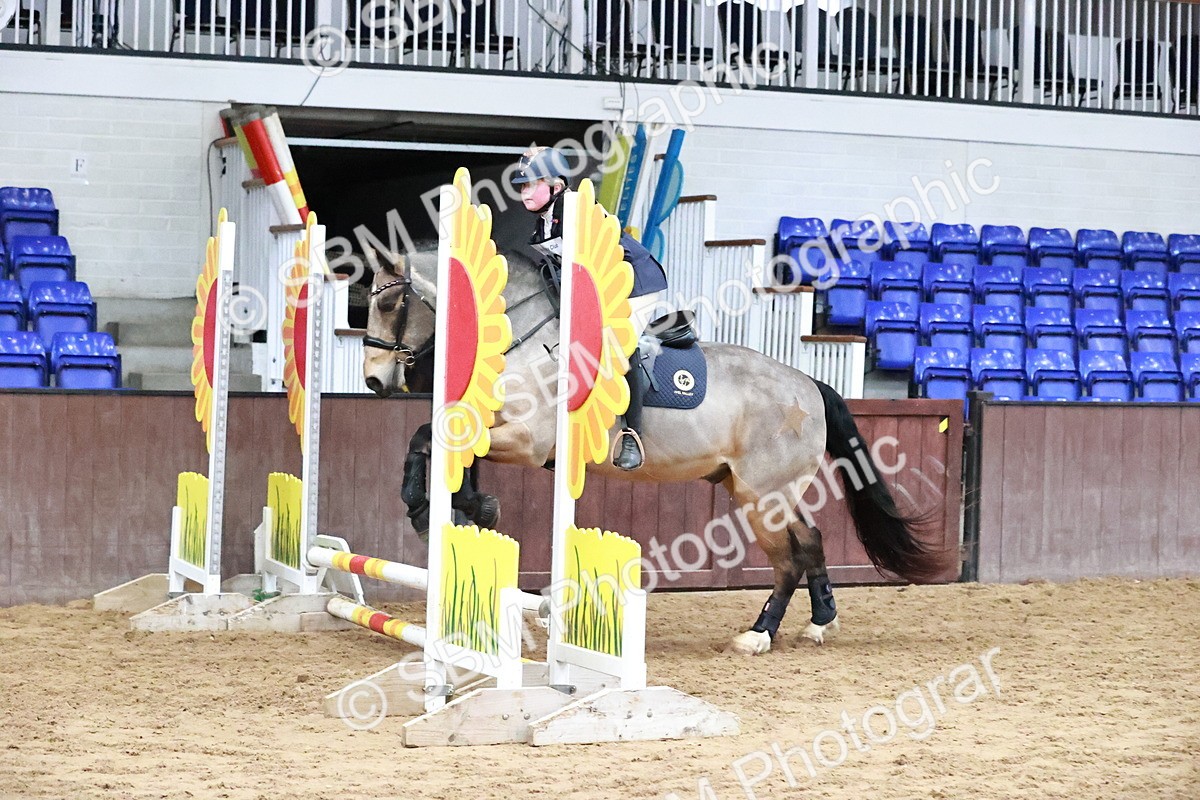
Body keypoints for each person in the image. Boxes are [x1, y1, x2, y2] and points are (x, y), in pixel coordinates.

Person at [511, 145, 668, 472]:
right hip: (599, 288)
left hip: (637, 282)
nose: (524, 191)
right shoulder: (544, 223)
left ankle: (631, 434)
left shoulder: (574, 210)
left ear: (555, 186)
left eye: (530, 183)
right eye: (522, 185)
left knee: (617, 345)